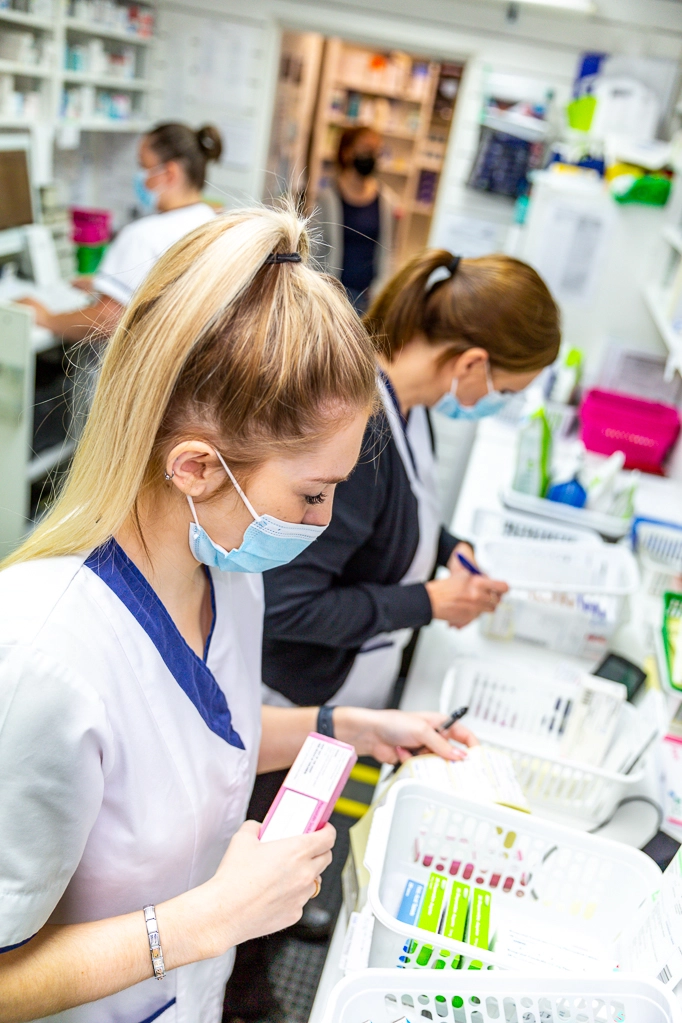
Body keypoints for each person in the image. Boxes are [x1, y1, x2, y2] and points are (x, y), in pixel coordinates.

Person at [0, 207, 478, 1023]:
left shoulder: (225, 571)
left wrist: (347, 725)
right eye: (313, 494)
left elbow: (193, 734)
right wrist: (209, 919)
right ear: (196, 467)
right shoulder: (41, 658)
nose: (324, 522)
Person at [261, 251, 562, 713]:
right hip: (298, 701)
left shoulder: (411, 407)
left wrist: (448, 549)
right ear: (471, 364)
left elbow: (393, 513)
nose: (498, 402)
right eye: (505, 391)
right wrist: (428, 602)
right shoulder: (359, 433)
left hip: (358, 678)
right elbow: (287, 605)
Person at [19, 121, 222, 341]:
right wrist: (105, 287)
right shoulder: (213, 223)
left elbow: (108, 319)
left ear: (170, 173)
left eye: (144, 167)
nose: (140, 177)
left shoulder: (144, 235)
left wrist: (46, 318)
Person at [313, 126, 397, 313]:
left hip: (370, 299)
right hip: (331, 298)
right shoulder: (327, 199)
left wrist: (383, 290)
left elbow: (389, 251)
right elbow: (315, 250)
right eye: (366, 149)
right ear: (347, 152)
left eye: (376, 151)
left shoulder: (386, 201)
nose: (372, 156)